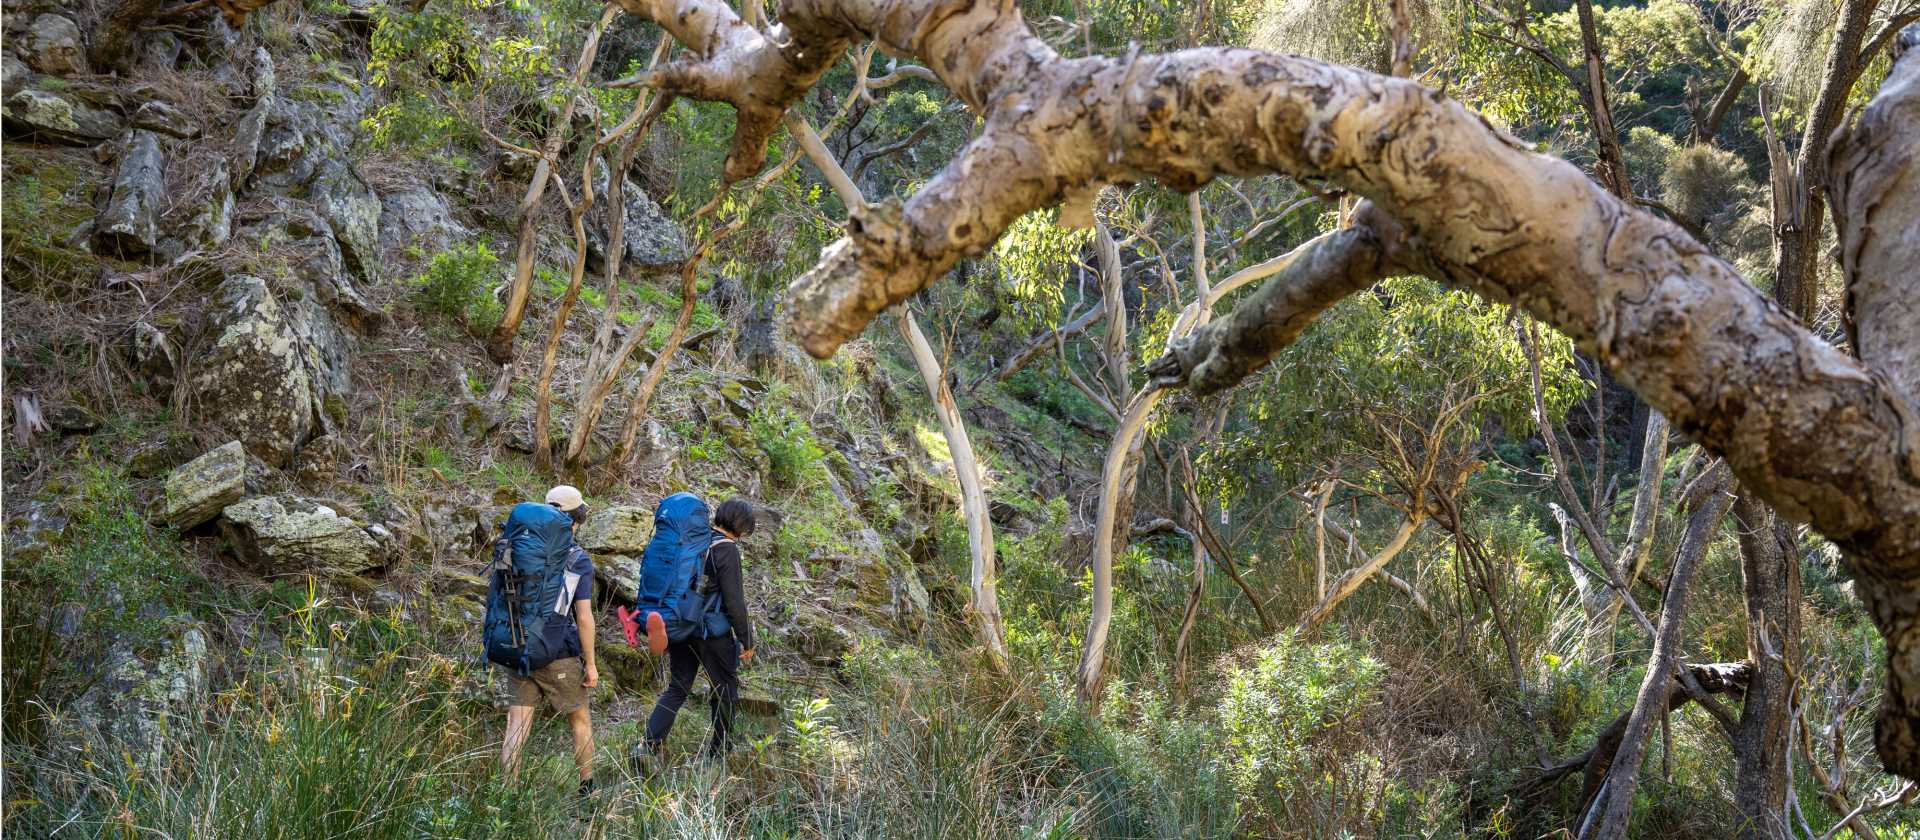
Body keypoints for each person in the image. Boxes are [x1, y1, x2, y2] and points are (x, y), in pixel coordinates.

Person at [635, 497, 757, 769]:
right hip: (712, 633)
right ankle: (719, 750)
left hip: (680, 624)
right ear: (742, 526)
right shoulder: (727, 549)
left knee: (678, 687)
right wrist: (747, 640)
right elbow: (734, 601)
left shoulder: (697, 542)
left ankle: (647, 745)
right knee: (725, 688)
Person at [499, 485, 601, 800]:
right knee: (580, 719)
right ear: (576, 519)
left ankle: (506, 797)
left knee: (517, 724)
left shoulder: (516, 546)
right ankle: (588, 793)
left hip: (516, 645)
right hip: (557, 652)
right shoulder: (575, 558)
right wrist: (591, 664)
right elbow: (583, 617)